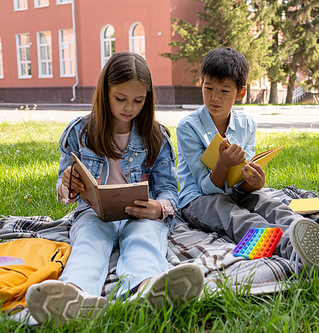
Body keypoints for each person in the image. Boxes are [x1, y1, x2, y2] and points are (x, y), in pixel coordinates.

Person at [25, 52, 204, 326]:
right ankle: (74, 295)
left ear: (148, 98)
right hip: (94, 213)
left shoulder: (156, 137)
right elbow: (64, 188)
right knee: (88, 243)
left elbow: (169, 189)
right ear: (104, 92)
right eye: (120, 98)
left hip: (141, 214)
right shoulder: (80, 132)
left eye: (138, 100)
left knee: (144, 241)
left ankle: (146, 289)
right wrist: (67, 185)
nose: (129, 107)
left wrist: (160, 207)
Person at [176, 47, 319, 275]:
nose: (215, 97)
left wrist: (253, 183)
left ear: (240, 92)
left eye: (224, 90)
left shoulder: (246, 124)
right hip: (198, 200)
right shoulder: (188, 127)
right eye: (208, 88)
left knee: (271, 205)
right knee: (239, 218)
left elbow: (241, 182)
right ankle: (300, 254)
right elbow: (202, 186)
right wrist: (223, 164)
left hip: (237, 193)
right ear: (201, 84)